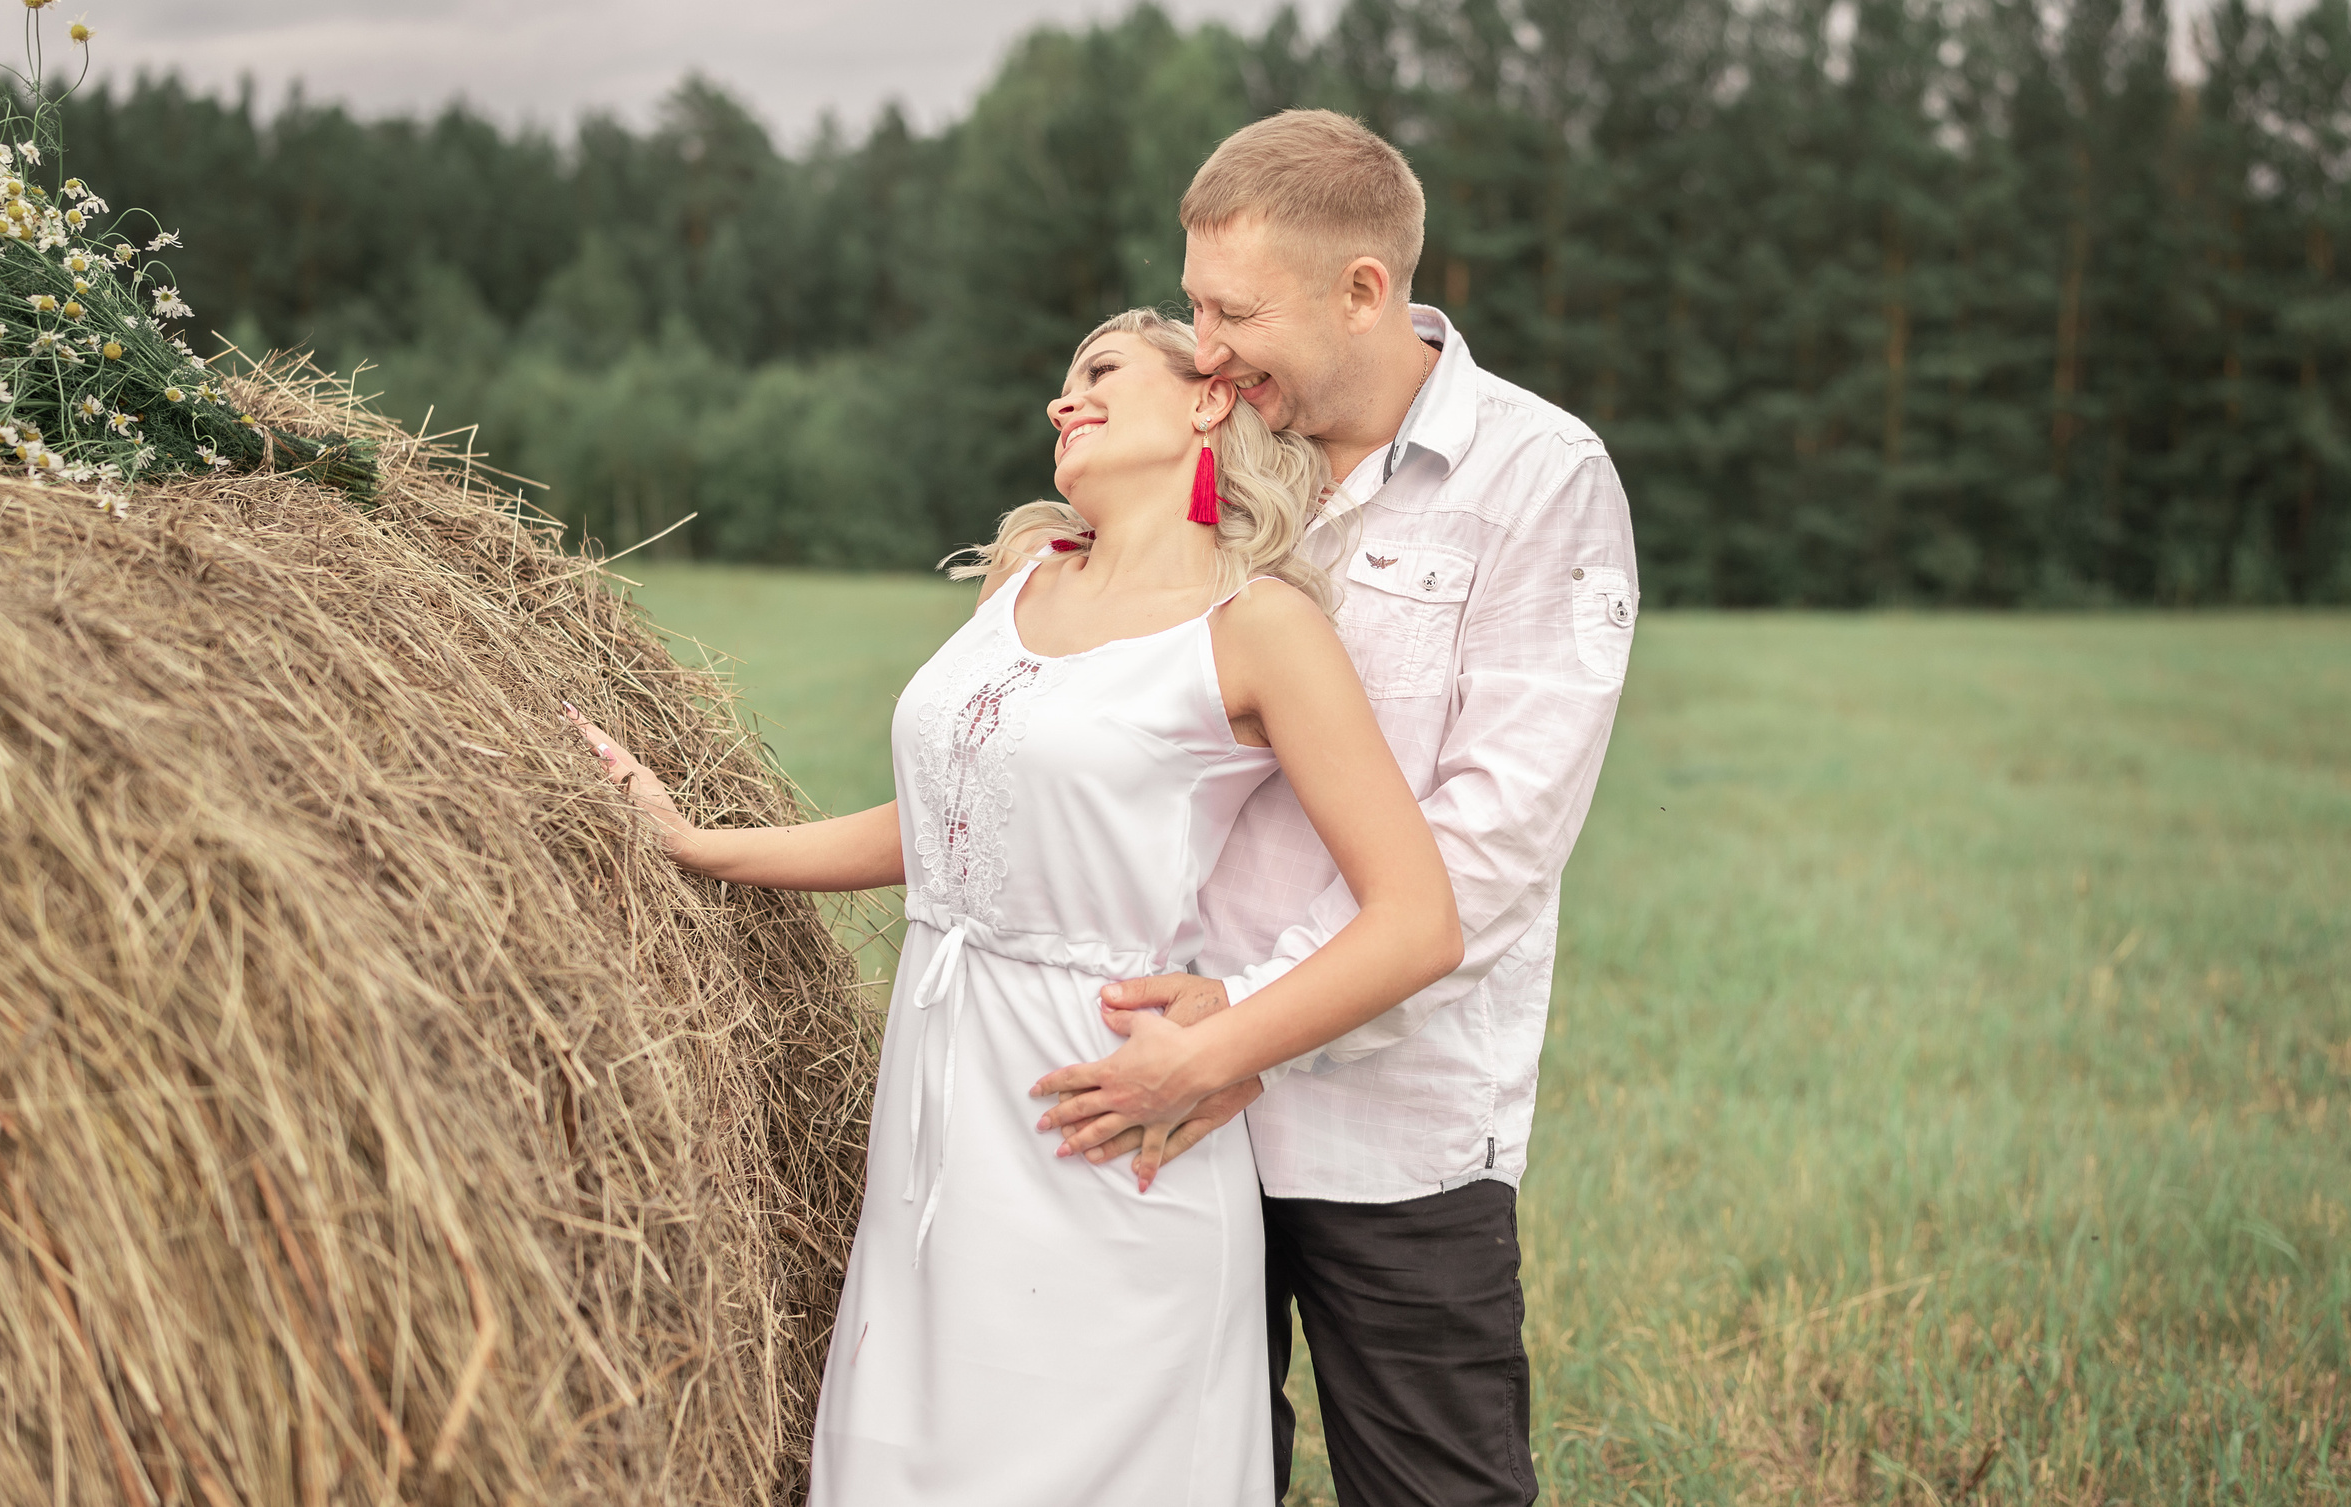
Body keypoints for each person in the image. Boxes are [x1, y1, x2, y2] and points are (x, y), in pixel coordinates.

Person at [565, 307, 1461, 1506]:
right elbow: (947, 825)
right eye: (1059, 381)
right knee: (914, 1452)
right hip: (939, 1096)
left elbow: (1415, 920)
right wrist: (695, 845)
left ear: (1206, 400)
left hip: (1099, 1112)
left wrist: (1208, 1059)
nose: (1063, 399)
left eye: (1099, 371)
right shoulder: (1023, 576)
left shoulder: (1258, 627)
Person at [1032, 111, 1637, 1507]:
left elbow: (1493, 841)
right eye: (1194, 304)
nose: (1209, 345)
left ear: (1365, 290)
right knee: (1175, 1474)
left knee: (1435, 1488)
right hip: (1171, 1096)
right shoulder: (1220, 457)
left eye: (1234, 310)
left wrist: (1244, 1023)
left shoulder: (1542, 479)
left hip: (1394, 1124)